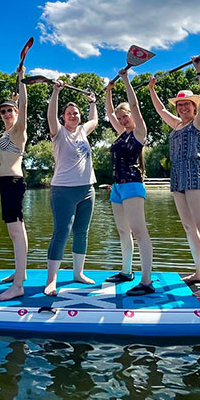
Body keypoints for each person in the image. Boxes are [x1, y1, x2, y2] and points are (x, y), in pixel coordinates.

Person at [148, 57, 200, 297]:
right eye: (179, 105)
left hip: (196, 175)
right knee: (190, 227)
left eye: (187, 104)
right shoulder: (176, 125)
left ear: (194, 107)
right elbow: (160, 110)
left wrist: (199, 71)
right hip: (178, 176)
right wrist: (151, 90)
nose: (182, 108)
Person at [44, 80, 98, 297]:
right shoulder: (58, 132)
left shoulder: (83, 131)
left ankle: (78, 273)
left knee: (81, 233)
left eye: (76, 113)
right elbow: (51, 115)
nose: (73, 116)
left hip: (87, 190)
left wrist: (93, 102)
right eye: (69, 113)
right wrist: (56, 91)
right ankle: (51, 280)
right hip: (63, 190)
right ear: (63, 117)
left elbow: (94, 118)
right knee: (61, 233)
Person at [104, 68, 155, 296]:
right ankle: (126, 271)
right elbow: (108, 112)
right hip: (116, 187)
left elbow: (134, 106)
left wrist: (125, 80)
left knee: (139, 232)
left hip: (133, 185)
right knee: (123, 231)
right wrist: (108, 92)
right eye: (121, 117)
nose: (124, 119)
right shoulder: (121, 133)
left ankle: (146, 282)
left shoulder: (139, 133)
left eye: (126, 116)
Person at [0, 66, 30, 301]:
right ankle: (21, 273)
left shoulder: (18, 130)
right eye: (3, 111)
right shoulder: (6, 132)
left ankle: (17, 286)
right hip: (6, 183)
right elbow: (15, 107)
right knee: (15, 230)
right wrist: (13, 100)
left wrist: (21, 79)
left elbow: (24, 107)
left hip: (13, 181)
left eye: (10, 110)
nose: (6, 113)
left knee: (15, 232)